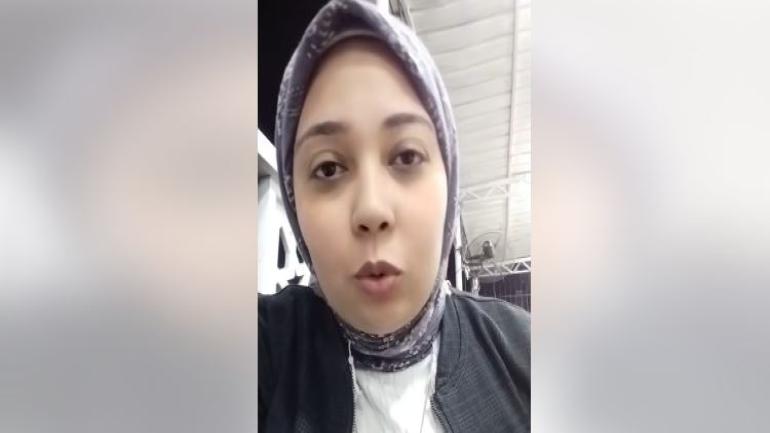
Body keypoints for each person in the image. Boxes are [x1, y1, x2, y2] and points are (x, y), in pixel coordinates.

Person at [258, 1, 530, 432]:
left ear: (449, 177)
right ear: (294, 200)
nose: (371, 209)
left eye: (406, 156)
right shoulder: (266, 354)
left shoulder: (522, 354)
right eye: (328, 168)